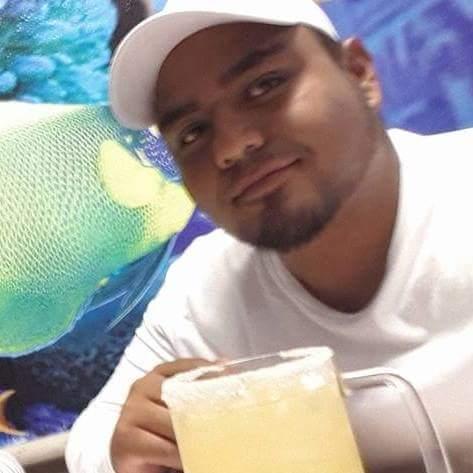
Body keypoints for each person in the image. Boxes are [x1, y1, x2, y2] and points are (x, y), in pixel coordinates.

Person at [66, 1, 473, 472]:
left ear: (359, 73)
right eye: (193, 132)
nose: (232, 145)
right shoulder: (206, 292)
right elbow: (94, 441)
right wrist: (129, 447)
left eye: (264, 85)